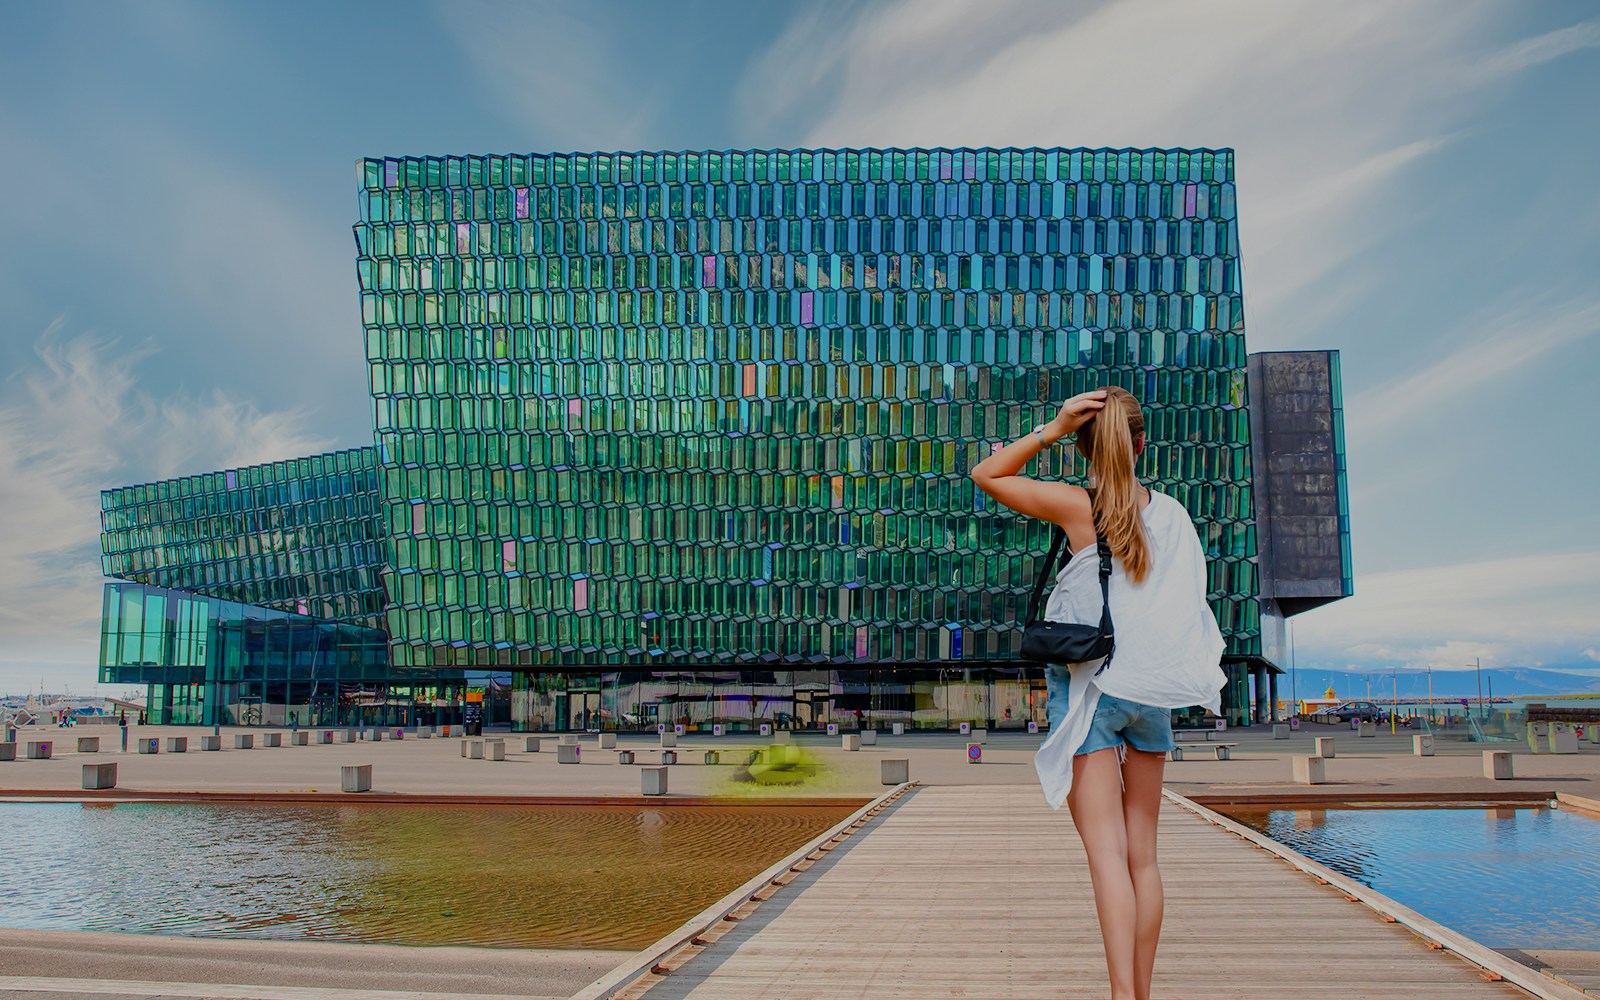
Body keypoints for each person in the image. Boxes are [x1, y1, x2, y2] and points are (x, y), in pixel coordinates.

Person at [971, 386, 1225, 1000]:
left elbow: (987, 472)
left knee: (1108, 859)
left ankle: (1121, 996)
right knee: (1145, 859)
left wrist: (1054, 427)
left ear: (1087, 445)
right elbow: (1189, 609)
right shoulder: (1174, 515)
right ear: (1141, 444)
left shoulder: (1076, 507)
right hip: (1153, 695)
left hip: (1093, 692)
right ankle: (1139, 992)